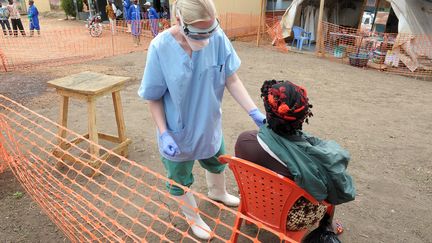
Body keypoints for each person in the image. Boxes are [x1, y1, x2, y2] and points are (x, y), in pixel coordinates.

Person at [137, 0, 266, 240]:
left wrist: (253, 111)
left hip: (208, 123)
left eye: (211, 29)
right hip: (178, 130)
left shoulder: (217, 38)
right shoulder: (160, 48)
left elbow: (231, 78)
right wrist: (164, 133)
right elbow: (153, 97)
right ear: (179, 21)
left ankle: (218, 191)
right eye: (199, 32)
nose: (206, 38)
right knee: (179, 178)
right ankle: (193, 216)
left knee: (217, 159)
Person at [235, 80, 355, 234]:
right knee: (329, 181)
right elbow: (326, 192)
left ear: (267, 108)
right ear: (304, 116)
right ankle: (327, 225)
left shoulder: (245, 141)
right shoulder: (311, 161)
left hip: (253, 202)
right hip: (291, 218)